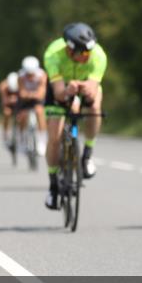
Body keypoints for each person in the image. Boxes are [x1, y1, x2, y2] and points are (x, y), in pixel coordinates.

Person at [42, 23, 106, 209]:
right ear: (70, 50)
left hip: (86, 85)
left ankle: (86, 155)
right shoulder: (53, 55)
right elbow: (59, 93)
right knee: (54, 137)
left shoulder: (98, 56)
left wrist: (83, 90)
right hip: (60, 87)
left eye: (89, 53)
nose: (88, 57)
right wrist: (69, 92)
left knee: (95, 107)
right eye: (83, 54)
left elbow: (93, 92)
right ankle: (53, 185)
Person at [16, 55, 48, 147]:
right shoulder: (21, 75)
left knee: (39, 111)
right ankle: (21, 137)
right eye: (28, 75)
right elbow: (21, 93)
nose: (30, 77)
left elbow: (41, 94)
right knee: (22, 115)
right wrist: (32, 94)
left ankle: (42, 139)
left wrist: (29, 94)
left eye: (31, 74)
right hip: (25, 99)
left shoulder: (42, 75)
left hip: (37, 99)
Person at [0, 71, 20, 148]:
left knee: (22, 115)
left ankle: (21, 133)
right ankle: (5, 133)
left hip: (19, 104)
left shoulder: (21, 84)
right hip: (8, 104)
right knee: (6, 113)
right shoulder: (3, 86)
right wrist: (10, 100)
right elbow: (4, 101)